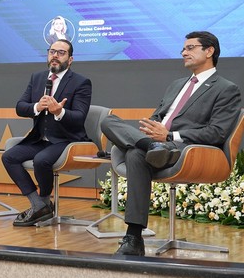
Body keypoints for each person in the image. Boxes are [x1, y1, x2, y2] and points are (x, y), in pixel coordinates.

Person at [101, 31, 242, 256]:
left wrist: (169, 136)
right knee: (108, 121)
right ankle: (149, 146)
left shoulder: (225, 88)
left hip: (184, 149)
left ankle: (134, 237)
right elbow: (158, 117)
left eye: (190, 48)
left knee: (135, 154)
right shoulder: (177, 84)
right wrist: (152, 131)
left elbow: (216, 133)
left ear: (209, 51)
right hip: (157, 145)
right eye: (183, 48)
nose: (183, 52)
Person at [2, 39, 92, 226]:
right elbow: (20, 107)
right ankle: (38, 205)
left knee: (41, 160)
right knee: (9, 157)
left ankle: (42, 204)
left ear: (70, 59)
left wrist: (59, 111)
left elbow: (79, 117)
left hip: (67, 140)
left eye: (61, 53)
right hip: (40, 138)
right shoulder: (37, 78)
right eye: (52, 52)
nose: (55, 56)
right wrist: (37, 106)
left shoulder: (81, 82)